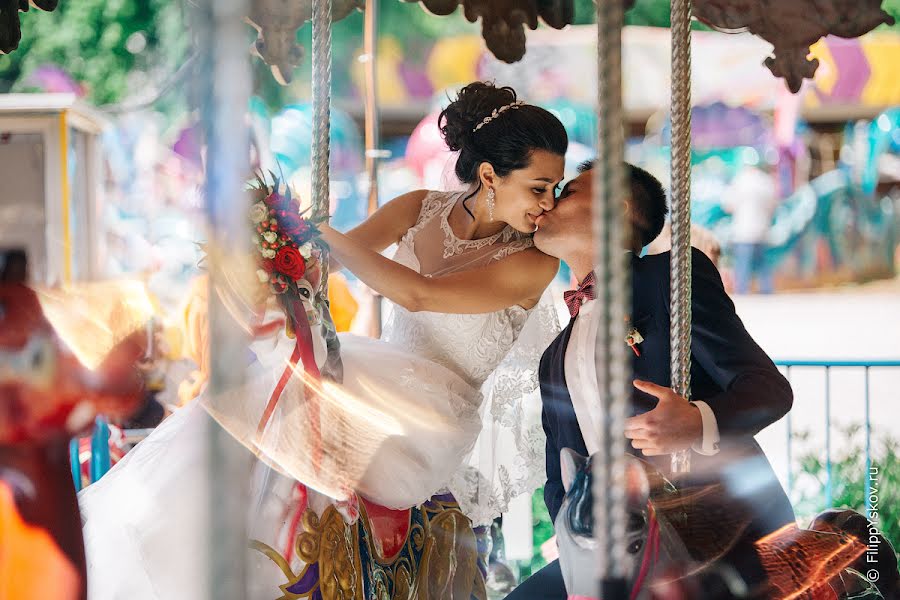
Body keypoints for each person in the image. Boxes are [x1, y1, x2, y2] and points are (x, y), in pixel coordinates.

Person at [79, 81, 567, 598]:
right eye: (539, 188)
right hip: (379, 372)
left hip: (434, 412)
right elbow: (327, 262)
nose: (548, 204)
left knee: (299, 392)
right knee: (264, 388)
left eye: (554, 189)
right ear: (489, 175)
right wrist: (273, 249)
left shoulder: (533, 263)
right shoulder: (422, 207)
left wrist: (312, 227)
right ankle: (187, 545)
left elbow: (419, 294)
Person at [506, 162, 795, 599]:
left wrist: (698, 422)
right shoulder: (552, 359)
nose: (548, 203)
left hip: (703, 537)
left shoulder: (669, 279)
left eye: (567, 192)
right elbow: (558, 481)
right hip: (611, 552)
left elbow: (769, 389)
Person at [723, 165, 779, 294]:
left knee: (743, 264)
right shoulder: (766, 182)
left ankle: (742, 292)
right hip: (762, 229)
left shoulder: (739, 180)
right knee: (763, 264)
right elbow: (773, 205)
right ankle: (767, 292)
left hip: (743, 231)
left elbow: (728, 205)